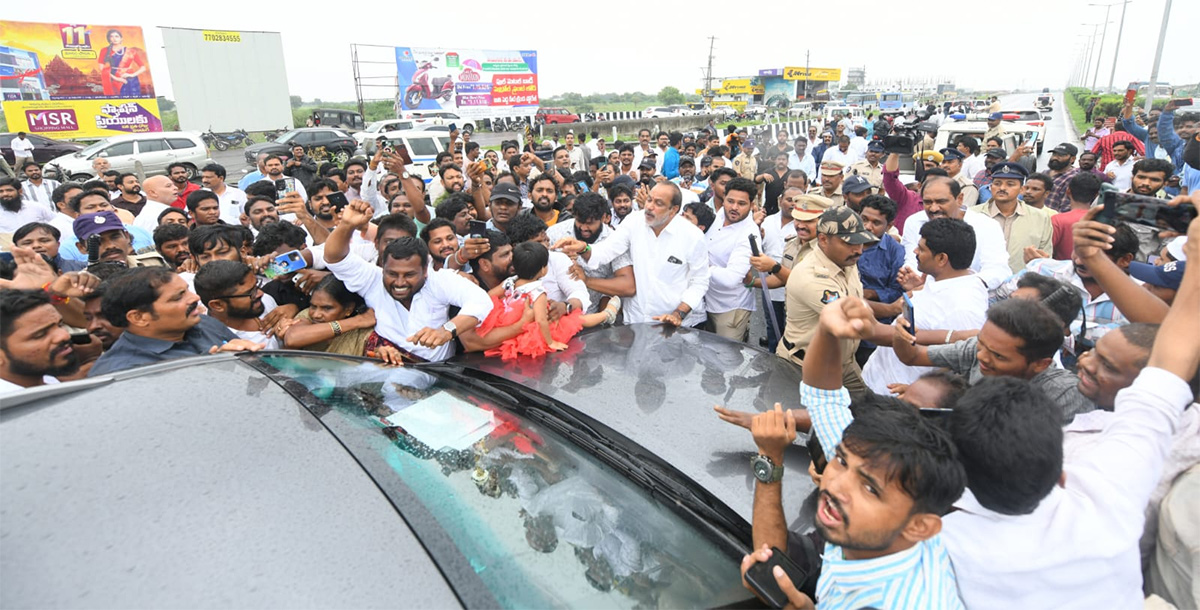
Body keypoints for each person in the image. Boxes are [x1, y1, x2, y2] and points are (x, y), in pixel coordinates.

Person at [940, 227, 1200, 608]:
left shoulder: (934, 544)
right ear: (1061, 474)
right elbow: (1172, 353)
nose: (1085, 361)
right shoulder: (1112, 491)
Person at [740, 295, 968, 610]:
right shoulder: (876, 470)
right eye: (842, 460)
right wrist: (828, 331)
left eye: (870, 488)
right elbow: (824, 398)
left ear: (921, 526)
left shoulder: (913, 601)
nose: (834, 486)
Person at [322, 198, 493, 362]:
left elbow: (481, 301)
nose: (400, 282)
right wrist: (346, 225)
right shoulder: (373, 279)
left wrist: (446, 331)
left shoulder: (440, 280)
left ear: (425, 270)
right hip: (383, 367)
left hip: (436, 375)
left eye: (409, 275)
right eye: (392, 274)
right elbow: (335, 258)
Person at [892, 297, 1094, 424]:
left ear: (1041, 364)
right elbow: (913, 355)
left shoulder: (1066, 396)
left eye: (998, 356)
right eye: (981, 344)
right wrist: (901, 336)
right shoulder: (981, 349)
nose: (981, 357)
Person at [553, 182, 710, 328]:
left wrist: (678, 313)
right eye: (649, 200)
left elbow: (700, 281)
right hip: (636, 319)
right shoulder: (634, 221)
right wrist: (583, 248)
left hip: (672, 323)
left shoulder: (692, 236)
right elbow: (607, 250)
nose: (649, 207)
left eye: (659, 203)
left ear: (674, 210)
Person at [862, 218, 989, 394]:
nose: (915, 251)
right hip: (878, 380)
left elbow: (959, 368)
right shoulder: (943, 279)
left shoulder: (963, 308)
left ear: (942, 258)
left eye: (921, 249)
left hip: (897, 398)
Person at [87, 267, 264, 376]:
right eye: (178, 297)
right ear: (139, 318)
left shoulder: (203, 323)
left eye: (187, 290)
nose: (194, 298)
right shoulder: (122, 372)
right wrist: (212, 371)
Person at [777, 206, 877, 394]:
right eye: (849, 243)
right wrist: (909, 338)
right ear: (823, 239)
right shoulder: (812, 276)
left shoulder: (846, 260)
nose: (858, 250)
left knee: (867, 413)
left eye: (861, 243)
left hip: (845, 364)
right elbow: (855, 323)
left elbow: (855, 304)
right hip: (806, 368)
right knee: (811, 420)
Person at [900, 176, 1010, 289]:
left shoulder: (986, 225)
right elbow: (912, 260)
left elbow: (997, 270)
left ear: (959, 199)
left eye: (941, 201)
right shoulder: (914, 222)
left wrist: (955, 287)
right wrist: (913, 278)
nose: (933, 208)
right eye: (927, 202)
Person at [545, 192, 634, 315]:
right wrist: (559, 261)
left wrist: (587, 280)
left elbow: (628, 286)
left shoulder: (614, 240)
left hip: (592, 319)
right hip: (555, 315)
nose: (583, 228)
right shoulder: (555, 233)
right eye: (579, 221)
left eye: (590, 223)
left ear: (603, 218)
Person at [969, 162, 1053, 273]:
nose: (1002, 188)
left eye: (1010, 184)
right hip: (981, 283)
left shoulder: (1041, 218)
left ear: (1022, 189)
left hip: (1021, 283)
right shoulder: (973, 215)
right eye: (997, 183)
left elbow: (1045, 260)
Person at [704, 177, 758, 341]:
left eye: (741, 204)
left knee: (726, 360)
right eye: (730, 201)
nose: (734, 207)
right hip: (706, 301)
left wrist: (700, 267)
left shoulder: (750, 235)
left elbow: (731, 278)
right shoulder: (720, 215)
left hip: (730, 310)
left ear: (751, 205)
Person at [193, 261, 280, 349]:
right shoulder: (210, 341)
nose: (260, 293)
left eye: (257, 285)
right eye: (250, 292)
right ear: (217, 305)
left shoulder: (265, 301)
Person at [279, 275, 375, 356]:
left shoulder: (363, 334)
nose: (316, 314)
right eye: (313, 306)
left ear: (348, 308)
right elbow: (292, 338)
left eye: (327, 308)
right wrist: (355, 321)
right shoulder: (307, 316)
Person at [72, 211, 167, 268]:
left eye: (115, 237)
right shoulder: (83, 284)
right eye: (98, 241)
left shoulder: (155, 263)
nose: (110, 246)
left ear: (127, 236)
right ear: (82, 247)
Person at [1050, 172, 1102, 260]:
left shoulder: (1057, 220)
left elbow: (1047, 250)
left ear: (1068, 191)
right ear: (1096, 194)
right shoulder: (1102, 221)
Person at [1045, 143, 1081, 213]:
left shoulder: (1073, 178)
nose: (1055, 158)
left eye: (1061, 155)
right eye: (1054, 154)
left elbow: (1066, 208)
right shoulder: (1045, 173)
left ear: (1072, 159)